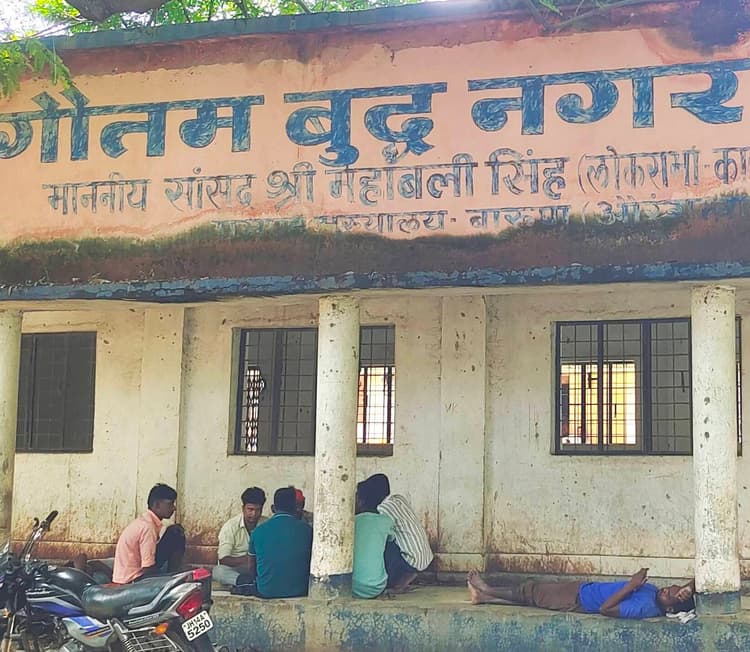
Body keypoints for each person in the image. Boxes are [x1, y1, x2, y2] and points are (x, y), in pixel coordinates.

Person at [467, 568, 696, 619]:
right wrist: (688, 588)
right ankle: (483, 598)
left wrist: (631, 585)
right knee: (533, 598)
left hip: (577, 599)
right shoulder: (655, 596)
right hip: (583, 589)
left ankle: (486, 589)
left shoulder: (644, 608)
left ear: (669, 608)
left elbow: (605, 609)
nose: (665, 590)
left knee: (531, 592)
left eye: (669, 595)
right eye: (669, 587)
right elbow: (690, 587)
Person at [361, 473, 433, 591]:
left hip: (411, 560)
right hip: (426, 557)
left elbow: (380, 537)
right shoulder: (399, 498)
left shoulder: (383, 510)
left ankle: (393, 578)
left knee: (380, 542)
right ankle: (408, 575)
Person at [248, 486, 313, 598]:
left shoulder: (258, 531)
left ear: (273, 508)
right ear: (295, 507)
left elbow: (251, 568)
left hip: (266, 591)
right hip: (300, 590)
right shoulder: (307, 530)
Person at [113, 483, 184, 584]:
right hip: (132, 580)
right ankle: (175, 577)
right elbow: (147, 569)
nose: (174, 508)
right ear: (157, 505)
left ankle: (175, 574)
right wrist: (172, 578)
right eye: (170, 504)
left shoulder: (147, 521)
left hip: (134, 574)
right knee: (175, 535)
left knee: (175, 533)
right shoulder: (148, 527)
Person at [214, 487, 267, 587]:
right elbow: (223, 560)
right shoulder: (230, 527)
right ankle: (246, 582)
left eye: (258, 510)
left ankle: (249, 584)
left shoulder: (267, 524)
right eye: (250, 509)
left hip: (261, 568)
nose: (254, 514)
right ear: (243, 508)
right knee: (218, 571)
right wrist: (248, 559)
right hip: (239, 570)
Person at [352, 480, 394, 599]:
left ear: (361, 501)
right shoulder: (386, 521)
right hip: (377, 587)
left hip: (349, 586)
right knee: (390, 543)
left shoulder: (352, 521)